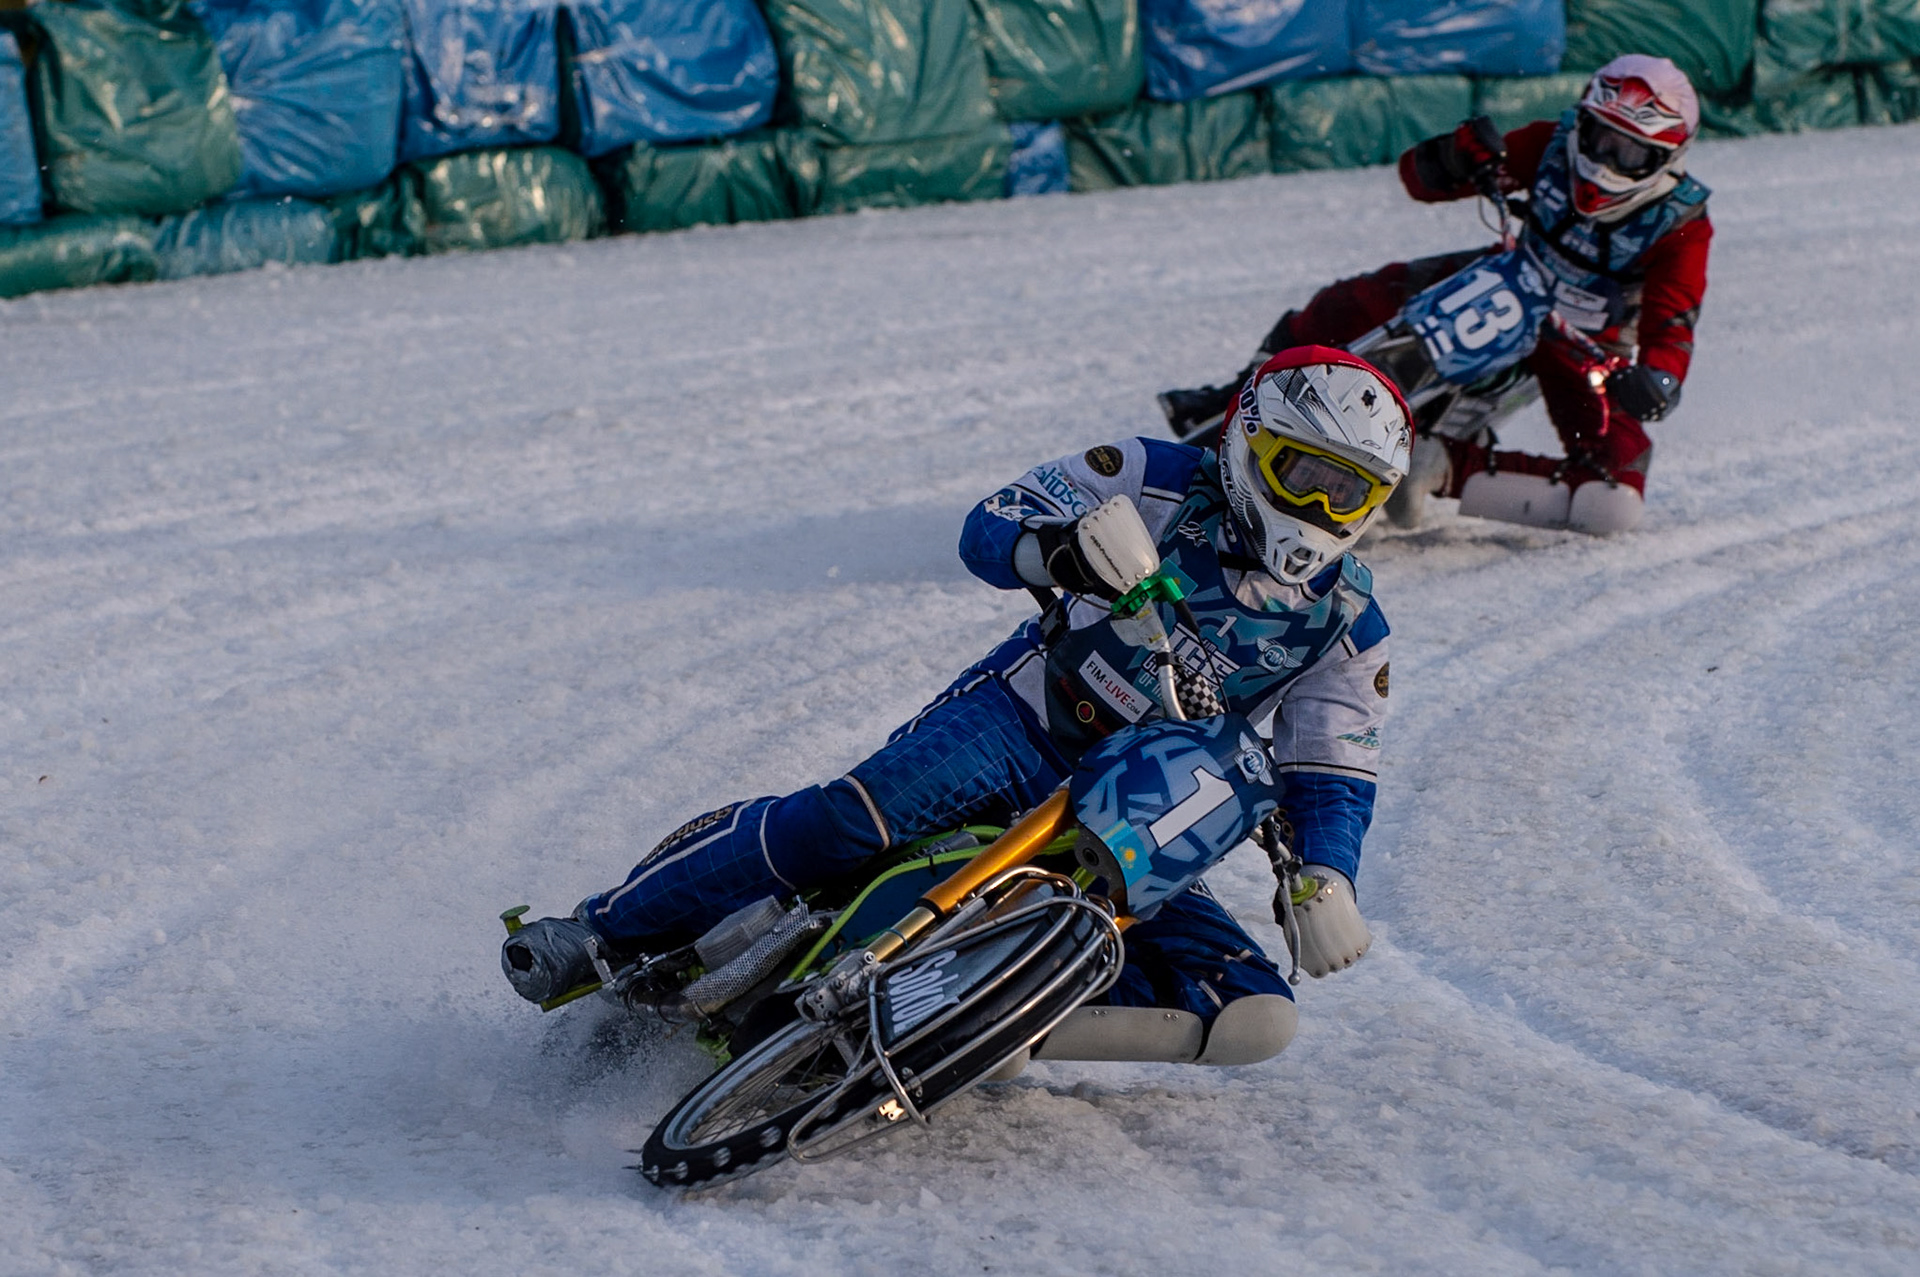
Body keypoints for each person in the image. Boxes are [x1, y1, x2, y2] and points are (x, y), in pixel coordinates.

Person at [502, 347, 1410, 1053]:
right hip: (1021, 722)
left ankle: (971, 1027)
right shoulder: (1150, 473)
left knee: (1252, 1011)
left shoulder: (1351, 624)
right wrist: (1060, 553)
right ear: (1250, 443)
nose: (1324, 506)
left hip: (1146, 804)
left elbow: (1331, 775)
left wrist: (1326, 876)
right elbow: (990, 525)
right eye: (1304, 474)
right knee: (843, 825)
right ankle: (602, 931)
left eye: (1351, 490)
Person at [1160, 54, 1712, 536]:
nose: (1605, 161)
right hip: (1505, 275)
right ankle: (1239, 395)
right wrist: (1457, 155)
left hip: (1584, 344)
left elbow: (1674, 323)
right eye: (1600, 139)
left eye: (1629, 153)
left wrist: (1659, 378)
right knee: (1344, 304)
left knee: (1611, 500)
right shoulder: (1552, 141)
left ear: (1667, 159)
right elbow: (1417, 179)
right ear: (1583, 123)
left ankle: (1441, 463)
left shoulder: (1682, 223)